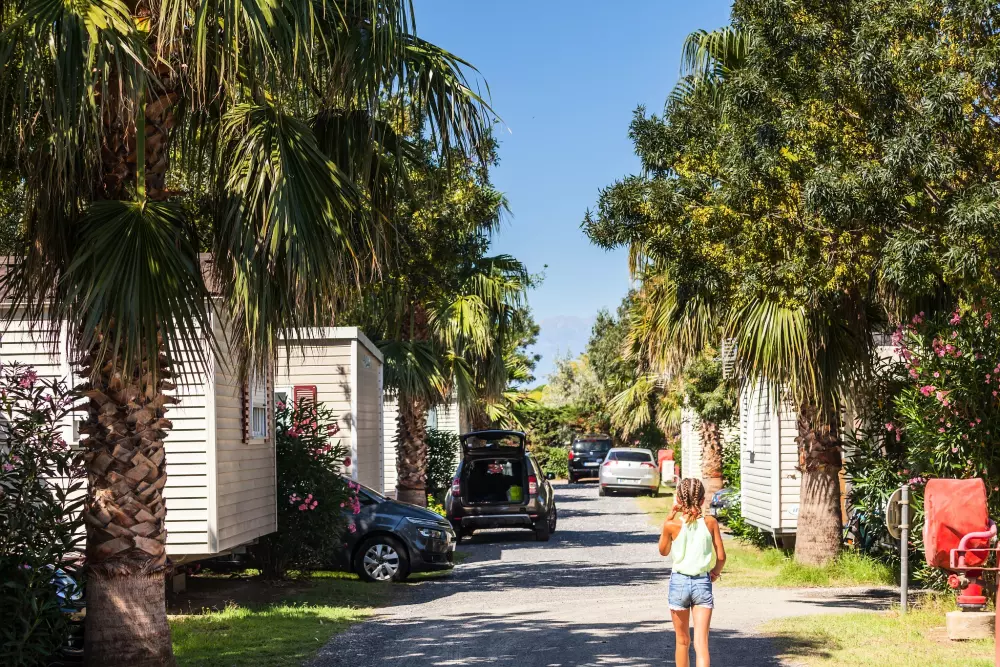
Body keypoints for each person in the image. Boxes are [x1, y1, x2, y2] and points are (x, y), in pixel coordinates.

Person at [658, 478, 726, 667]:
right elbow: (721, 557)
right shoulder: (710, 523)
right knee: (701, 643)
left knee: (682, 641)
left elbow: (663, 551)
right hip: (702, 583)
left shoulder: (672, 525)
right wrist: (715, 573)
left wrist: (670, 515)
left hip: (679, 583)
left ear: (679, 499)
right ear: (703, 500)